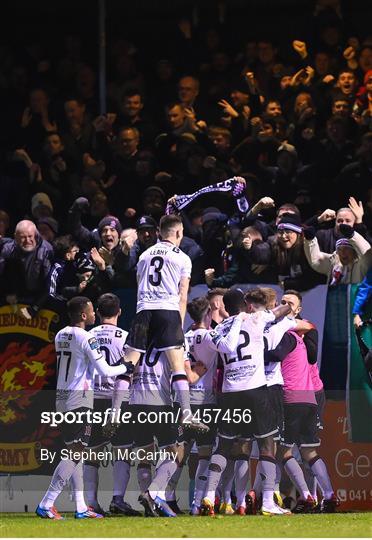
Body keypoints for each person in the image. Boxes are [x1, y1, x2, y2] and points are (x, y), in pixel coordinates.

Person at [36, 296, 133, 520]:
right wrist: (125, 366)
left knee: (76, 454)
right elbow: (106, 370)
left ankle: (81, 507)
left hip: (61, 398)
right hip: (79, 400)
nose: (93, 315)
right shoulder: (86, 337)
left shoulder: (60, 334)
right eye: (90, 311)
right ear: (83, 315)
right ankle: (47, 502)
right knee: (76, 452)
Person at [201, 288, 292, 516]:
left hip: (230, 393)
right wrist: (281, 307)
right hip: (256, 391)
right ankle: (268, 502)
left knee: (223, 446)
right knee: (266, 445)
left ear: (225, 308)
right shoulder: (256, 317)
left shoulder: (219, 329)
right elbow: (283, 310)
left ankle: (209, 495)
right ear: (245, 303)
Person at [266, 290, 339, 513]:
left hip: (293, 398)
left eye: (290, 304)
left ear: (297, 311)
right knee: (309, 453)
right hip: (308, 398)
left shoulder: (289, 335)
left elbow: (275, 355)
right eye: (283, 302)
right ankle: (329, 495)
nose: (285, 306)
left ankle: (307, 496)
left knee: (283, 452)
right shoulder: (299, 335)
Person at [85, 293, 140, 516]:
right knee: (122, 452)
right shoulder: (126, 337)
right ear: (119, 311)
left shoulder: (88, 335)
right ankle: (118, 499)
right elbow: (131, 373)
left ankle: (91, 503)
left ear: (97, 313)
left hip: (93, 399)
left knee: (91, 454)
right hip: (120, 399)